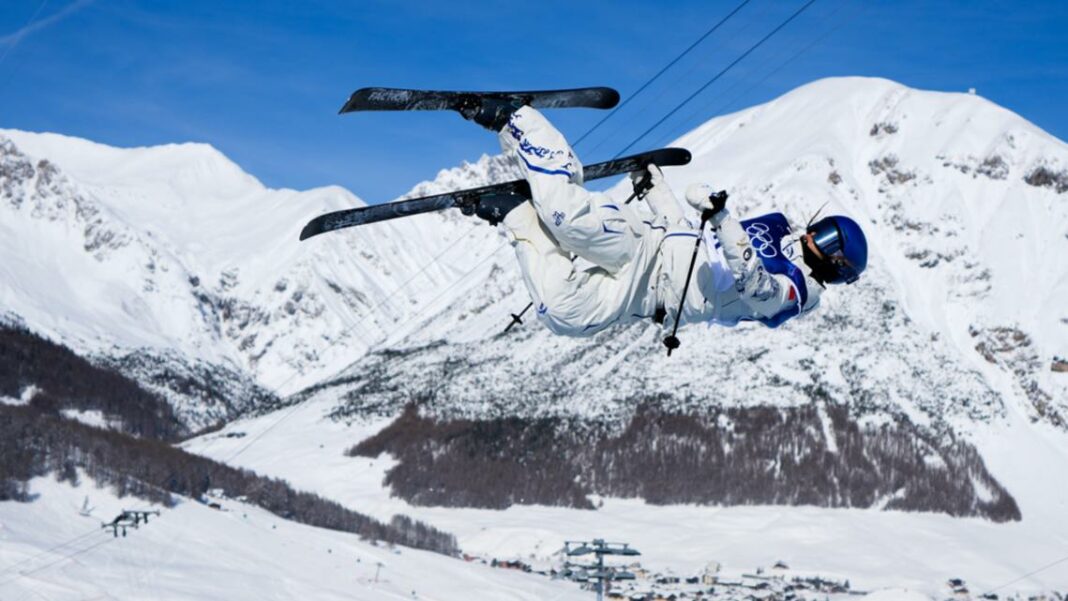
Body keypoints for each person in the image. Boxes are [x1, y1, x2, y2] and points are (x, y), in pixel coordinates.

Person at [464, 103, 868, 342]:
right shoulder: (780, 227)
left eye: (828, 240)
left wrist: (723, 217)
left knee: (562, 315)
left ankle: (516, 212)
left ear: (838, 264)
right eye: (821, 227)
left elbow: (754, 286)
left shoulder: (797, 294)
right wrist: (655, 190)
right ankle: (517, 119)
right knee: (567, 218)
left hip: (649, 299)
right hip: (649, 248)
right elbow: (689, 243)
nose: (814, 236)